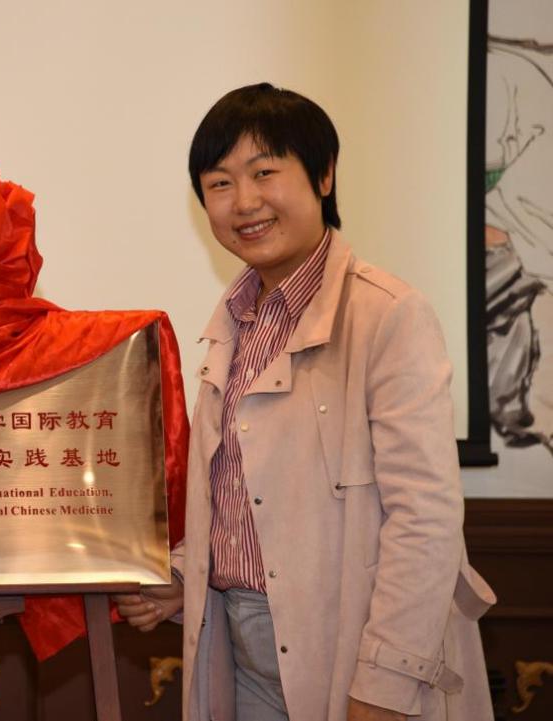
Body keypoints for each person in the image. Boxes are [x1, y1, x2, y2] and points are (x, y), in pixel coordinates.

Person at [113, 84, 494, 721]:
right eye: (219, 183)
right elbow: (246, 491)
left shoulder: (388, 314)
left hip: (354, 645)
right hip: (242, 649)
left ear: (323, 175)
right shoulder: (236, 322)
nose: (244, 201)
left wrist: (385, 684)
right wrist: (185, 573)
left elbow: (425, 519)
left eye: (265, 172)